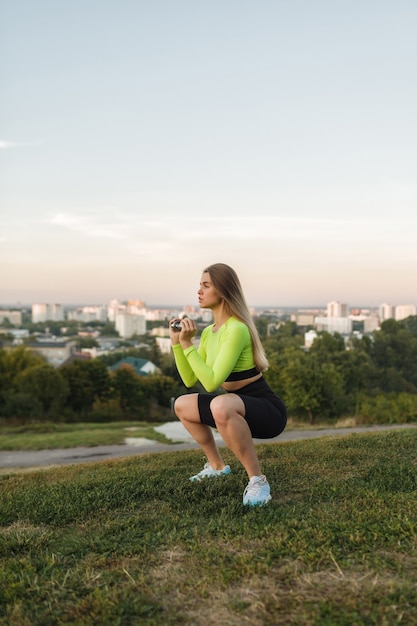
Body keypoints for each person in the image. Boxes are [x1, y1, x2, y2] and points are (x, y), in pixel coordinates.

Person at [170, 263, 287, 507]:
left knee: (221, 405)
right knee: (182, 404)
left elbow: (212, 383)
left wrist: (188, 345)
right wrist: (178, 343)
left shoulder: (237, 329)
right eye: (199, 285)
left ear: (222, 291)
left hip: (266, 410)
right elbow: (191, 380)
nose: (199, 291)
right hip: (231, 405)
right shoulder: (208, 333)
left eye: (206, 285)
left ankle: (258, 480)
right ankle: (216, 466)